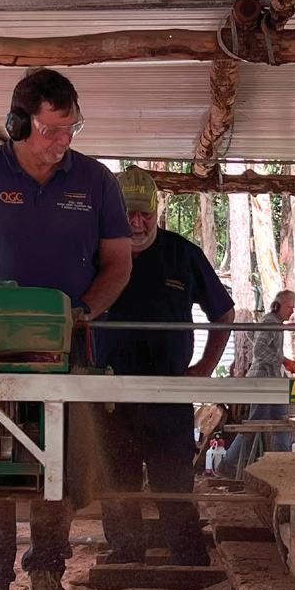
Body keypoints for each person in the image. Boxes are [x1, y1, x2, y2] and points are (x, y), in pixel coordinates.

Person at [0, 67, 131, 590]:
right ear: (18, 123)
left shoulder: (95, 182)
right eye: (51, 129)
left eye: (72, 128)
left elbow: (118, 262)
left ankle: (46, 574)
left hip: (66, 348)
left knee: (56, 465)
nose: (62, 140)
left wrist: (84, 312)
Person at [97, 167, 234, 566]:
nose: (137, 223)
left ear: (156, 211)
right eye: (128, 215)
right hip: (109, 393)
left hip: (167, 392)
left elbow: (223, 313)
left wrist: (205, 365)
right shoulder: (94, 253)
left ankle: (187, 555)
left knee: (172, 480)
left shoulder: (181, 254)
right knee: (116, 479)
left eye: (145, 214)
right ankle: (125, 552)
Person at [218, 290, 295, 476]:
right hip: (263, 380)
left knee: (282, 422)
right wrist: (283, 360)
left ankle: (283, 464)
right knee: (255, 424)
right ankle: (228, 464)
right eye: (289, 307)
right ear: (278, 306)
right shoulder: (270, 323)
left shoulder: (275, 324)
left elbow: (266, 351)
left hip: (272, 381)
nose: (291, 311)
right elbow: (259, 351)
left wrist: (283, 361)